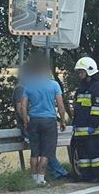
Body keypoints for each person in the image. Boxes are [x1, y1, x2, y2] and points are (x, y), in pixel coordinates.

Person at [20, 56, 67, 185]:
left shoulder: (29, 86)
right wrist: (62, 120)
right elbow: (61, 106)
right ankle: (41, 178)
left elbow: (23, 105)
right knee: (46, 152)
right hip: (49, 121)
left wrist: (25, 120)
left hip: (34, 120)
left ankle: (33, 178)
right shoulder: (54, 85)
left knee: (34, 151)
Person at [71, 57, 99, 181]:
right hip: (81, 129)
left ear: (89, 71)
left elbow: (97, 108)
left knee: (96, 156)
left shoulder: (97, 87)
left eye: (81, 71)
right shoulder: (81, 88)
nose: (79, 74)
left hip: (93, 130)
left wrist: (94, 125)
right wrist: (75, 123)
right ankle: (85, 175)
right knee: (83, 156)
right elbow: (77, 107)